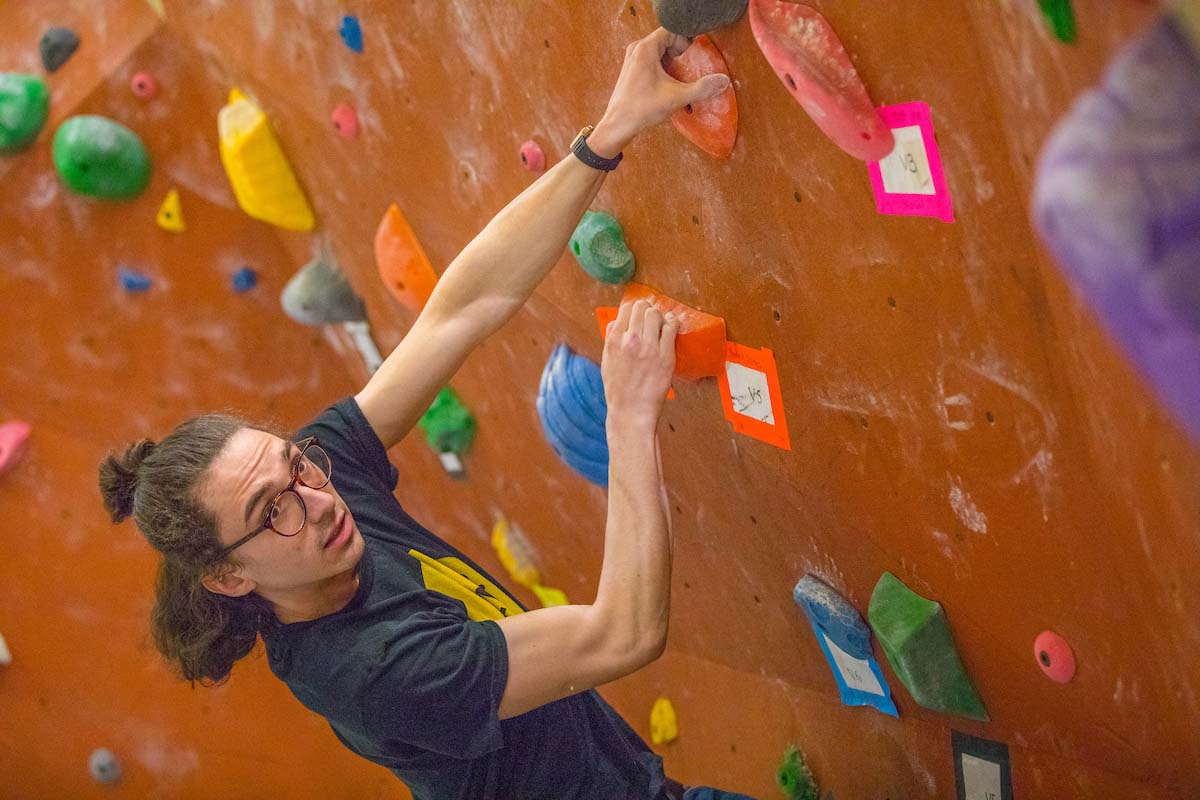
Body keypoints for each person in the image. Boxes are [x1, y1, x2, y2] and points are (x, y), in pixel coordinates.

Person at [99, 27, 755, 800]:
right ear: (230, 576)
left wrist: (606, 137)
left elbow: (461, 308)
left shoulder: (314, 488)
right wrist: (630, 414)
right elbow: (625, 632)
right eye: (272, 509)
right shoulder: (379, 674)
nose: (317, 502)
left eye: (295, 464)